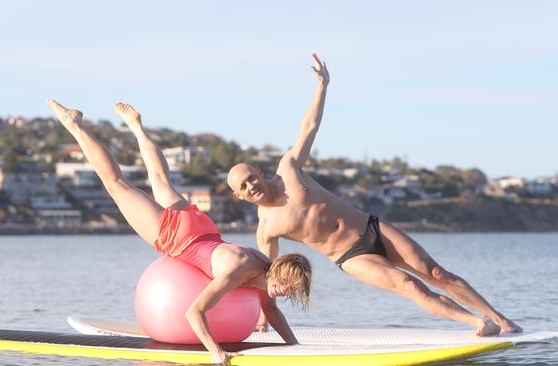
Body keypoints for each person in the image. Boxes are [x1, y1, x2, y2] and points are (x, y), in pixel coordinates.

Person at [227, 53, 522, 337]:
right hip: (350, 256)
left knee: (436, 273)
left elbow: (309, 126)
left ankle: (501, 319)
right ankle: (477, 322)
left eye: (251, 177)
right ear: (239, 196)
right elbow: (271, 278)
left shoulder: (288, 169)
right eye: (243, 187)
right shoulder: (266, 229)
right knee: (411, 286)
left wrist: (322, 85)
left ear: (259, 172)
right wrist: (266, 316)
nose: (250, 186)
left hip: (372, 227)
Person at [47, 99, 311, 364]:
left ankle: (136, 126)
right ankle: (75, 125)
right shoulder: (238, 271)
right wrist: (216, 351)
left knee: (161, 180)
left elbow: (272, 312)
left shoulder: (265, 270)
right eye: (286, 281)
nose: (286, 288)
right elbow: (193, 312)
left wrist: (295, 347)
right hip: (179, 236)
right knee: (116, 184)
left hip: (203, 228)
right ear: (278, 269)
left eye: (292, 286)